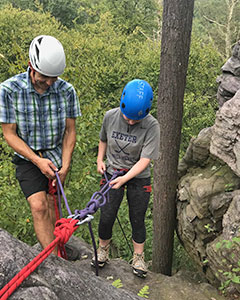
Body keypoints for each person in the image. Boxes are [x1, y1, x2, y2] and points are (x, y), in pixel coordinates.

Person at [0, 35, 81, 258]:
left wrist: (65, 165)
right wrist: (37, 160)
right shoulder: (8, 91)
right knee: (38, 206)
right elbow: (9, 134)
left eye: (53, 79)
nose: (49, 83)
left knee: (53, 202)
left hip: (56, 154)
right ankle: (54, 259)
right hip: (28, 156)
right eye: (44, 78)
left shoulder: (66, 91)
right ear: (31, 67)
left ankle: (59, 245)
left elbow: (70, 132)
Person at [91, 79, 160, 278]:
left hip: (138, 176)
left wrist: (125, 179)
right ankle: (103, 249)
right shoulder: (110, 116)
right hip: (113, 171)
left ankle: (138, 257)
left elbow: (145, 160)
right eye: (127, 117)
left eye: (135, 120)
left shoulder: (152, 126)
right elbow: (103, 138)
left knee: (137, 217)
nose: (130, 122)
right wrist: (99, 159)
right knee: (107, 214)